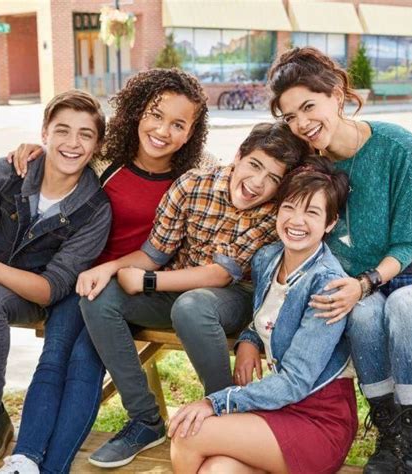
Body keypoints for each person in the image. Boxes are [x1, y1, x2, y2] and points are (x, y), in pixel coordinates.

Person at [0, 68, 209, 474]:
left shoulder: (195, 176)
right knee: (54, 357)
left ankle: (51, 467)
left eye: (179, 124)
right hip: (79, 277)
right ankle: (23, 461)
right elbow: (64, 150)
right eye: (155, 115)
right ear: (137, 113)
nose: (163, 131)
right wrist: (30, 149)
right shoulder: (108, 156)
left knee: (83, 362)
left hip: (134, 291)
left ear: (192, 132)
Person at [78, 121, 309, 468]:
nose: (258, 183)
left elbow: (218, 275)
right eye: (255, 165)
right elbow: (154, 254)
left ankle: (223, 414)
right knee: (98, 298)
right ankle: (144, 420)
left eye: (274, 178)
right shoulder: (191, 184)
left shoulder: (271, 212)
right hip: (177, 290)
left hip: (235, 297)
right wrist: (109, 269)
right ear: (238, 156)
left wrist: (148, 282)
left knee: (193, 305)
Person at [268, 46, 412, 473]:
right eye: (290, 116)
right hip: (358, 285)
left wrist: (364, 282)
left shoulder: (398, 146)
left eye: (309, 106)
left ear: (338, 94)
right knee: (361, 315)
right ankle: (390, 433)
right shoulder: (309, 165)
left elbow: (410, 241)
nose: (302, 124)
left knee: (403, 305)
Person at [169, 156, 355, 474]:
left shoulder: (326, 283)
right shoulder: (268, 258)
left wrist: (215, 402)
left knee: (188, 434)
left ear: (330, 223)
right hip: (276, 404)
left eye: (312, 212)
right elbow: (267, 314)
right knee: (218, 470)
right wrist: (249, 339)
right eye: (289, 207)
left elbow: (296, 381)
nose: (296, 221)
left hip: (318, 416)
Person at [0, 90, 112, 469]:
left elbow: (50, 289)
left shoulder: (94, 210)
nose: (72, 143)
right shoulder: (5, 172)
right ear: (44, 133)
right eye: (62, 130)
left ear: (98, 146)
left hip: (30, 293)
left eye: (85, 135)